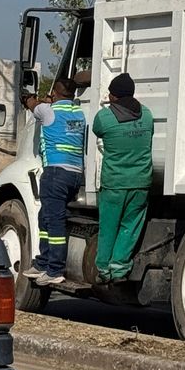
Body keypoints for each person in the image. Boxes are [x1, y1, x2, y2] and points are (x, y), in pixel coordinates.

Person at [21, 78, 85, 286]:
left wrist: (28, 98)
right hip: (75, 174)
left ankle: (54, 269)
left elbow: (33, 105)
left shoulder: (47, 112)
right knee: (45, 217)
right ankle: (42, 262)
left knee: (55, 221)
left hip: (55, 173)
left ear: (55, 94)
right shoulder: (79, 114)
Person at [92, 72, 154, 284]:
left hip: (114, 183)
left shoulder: (104, 117)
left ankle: (103, 270)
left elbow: (97, 131)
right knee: (130, 226)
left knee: (109, 226)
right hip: (140, 183)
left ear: (114, 96)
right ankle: (119, 269)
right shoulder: (147, 114)